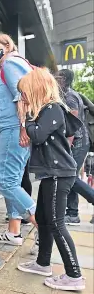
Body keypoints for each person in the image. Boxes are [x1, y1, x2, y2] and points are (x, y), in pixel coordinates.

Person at [17, 68, 85, 291]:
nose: (23, 98)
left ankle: (74, 276)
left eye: (24, 93)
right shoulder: (45, 111)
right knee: (44, 220)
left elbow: (37, 134)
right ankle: (42, 263)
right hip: (50, 174)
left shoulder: (52, 108)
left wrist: (25, 119)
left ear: (36, 89)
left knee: (56, 223)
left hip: (58, 174)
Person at [0, 32, 37, 246]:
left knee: (5, 182)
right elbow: (2, 108)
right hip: (11, 128)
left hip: (15, 129)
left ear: (7, 46)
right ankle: (13, 233)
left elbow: (22, 95)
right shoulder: (5, 69)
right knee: (13, 182)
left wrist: (23, 128)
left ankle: (42, 225)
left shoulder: (10, 64)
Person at [56, 69, 94, 225]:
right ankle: (72, 213)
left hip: (77, 142)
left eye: (57, 76)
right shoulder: (66, 94)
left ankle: (75, 211)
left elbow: (72, 124)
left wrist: (66, 145)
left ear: (63, 79)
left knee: (69, 175)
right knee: (70, 176)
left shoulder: (70, 97)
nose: (54, 78)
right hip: (77, 141)